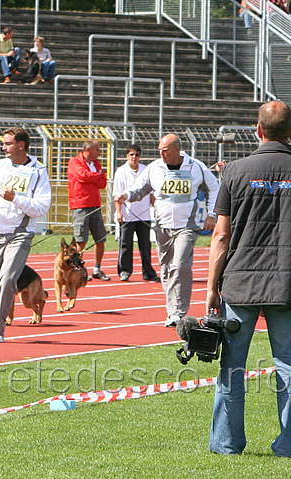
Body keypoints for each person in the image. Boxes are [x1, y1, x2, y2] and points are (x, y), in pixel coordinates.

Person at [205, 100, 291, 456]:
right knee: (288, 366)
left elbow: (220, 236)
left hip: (239, 282)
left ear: (258, 130)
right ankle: (288, 445)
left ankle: (226, 444)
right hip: (286, 284)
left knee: (231, 368)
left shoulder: (235, 171)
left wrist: (211, 287)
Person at [114, 134, 219, 327]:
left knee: (180, 266)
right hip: (162, 226)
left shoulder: (196, 167)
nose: (161, 154)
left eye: (165, 150)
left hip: (187, 226)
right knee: (166, 268)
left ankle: (178, 312)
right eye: (159, 150)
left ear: (177, 150)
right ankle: (172, 310)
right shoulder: (155, 168)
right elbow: (140, 189)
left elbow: (214, 187)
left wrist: (212, 215)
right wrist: (125, 195)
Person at [0, 127, 51, 343]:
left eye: (7, 143)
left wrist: (16, 198)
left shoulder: (38, 171)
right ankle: (0, 297)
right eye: (4, 143)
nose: (3, 147)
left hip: (20, 234)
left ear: (21, 145)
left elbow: (42, 207)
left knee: (8, 280)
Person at [112, 145, 159, 282]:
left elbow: (151, 193)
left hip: (143, 214)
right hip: (128, 215)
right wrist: (119, 212)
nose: (134, 157)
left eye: (137, 155)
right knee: (125, 244)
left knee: (145, 245)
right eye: (132, 154)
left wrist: (155, 208)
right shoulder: (121, 171)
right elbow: (117, 194)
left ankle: (148, 272)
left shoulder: (145, 170)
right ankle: (125, 271)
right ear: (127, 156)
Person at [67, 139, 111, 281]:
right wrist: (96, 176)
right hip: (80, 204)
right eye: (97, 149)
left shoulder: (96, 164)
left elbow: (102, 182)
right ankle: (78, 269)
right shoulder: (74, 162)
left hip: (95, 204)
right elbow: (82, 176)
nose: (99, 152)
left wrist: (95, 176)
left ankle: (97, 268)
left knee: (100, 238)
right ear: (88, 150)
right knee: (81, 239)